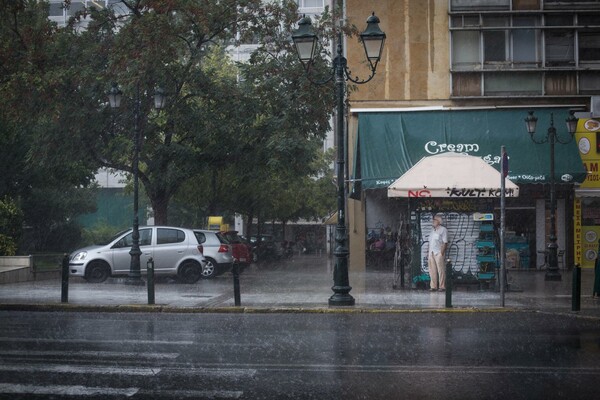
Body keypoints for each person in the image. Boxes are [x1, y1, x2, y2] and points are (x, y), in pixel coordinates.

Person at [428, 214, 448, 292]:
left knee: (441, 270)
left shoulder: (443, 230)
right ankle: (433, 286)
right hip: (431, 253)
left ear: (439, 221)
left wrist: (441, 254)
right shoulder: (432, 230)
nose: (433, 221)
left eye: (435, 220)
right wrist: (428, 253)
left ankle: (442, 286)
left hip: (438, 253)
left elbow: (445, 243)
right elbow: (430, 242)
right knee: (432, 270)